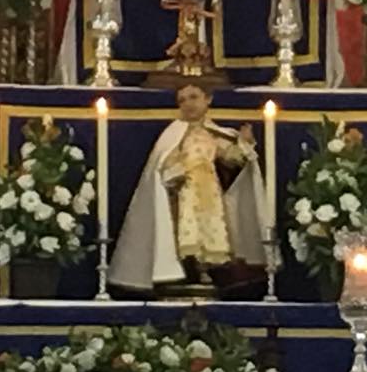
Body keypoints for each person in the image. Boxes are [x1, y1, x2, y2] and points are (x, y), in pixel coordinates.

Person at [110, 84, 268, 293]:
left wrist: (245, 144)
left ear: (207, 99)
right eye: (182, 100)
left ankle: (205, 270)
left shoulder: (213, 134)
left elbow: (231, 158)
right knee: (185, 231)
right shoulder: (175, 134)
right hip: (184, 191)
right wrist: (176, 172)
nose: (188, 104)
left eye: (193, 97)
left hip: (210, 192)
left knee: (210, 231)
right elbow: (163, 163)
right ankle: (185, 269)